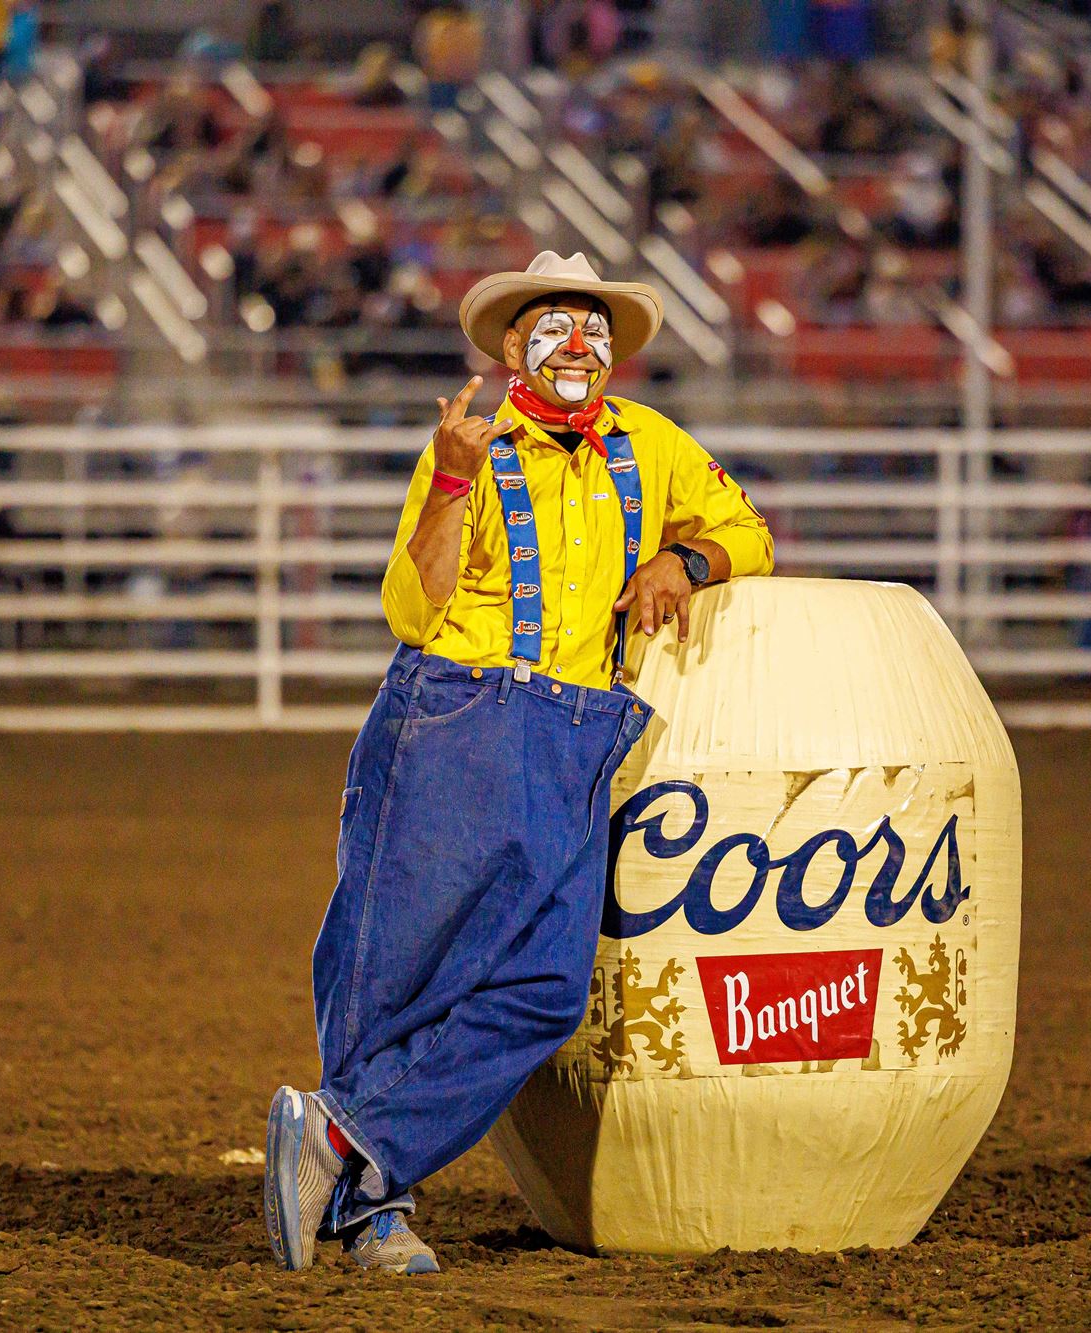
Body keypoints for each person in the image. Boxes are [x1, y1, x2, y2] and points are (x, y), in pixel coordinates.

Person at [263, 252, 774, 1275]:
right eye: (556, 326)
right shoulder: (470, 445)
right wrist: (452, 480)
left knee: (543, 987)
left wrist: (684, 559)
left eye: (593, 326)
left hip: (578, 728)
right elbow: (415, 609)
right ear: (512, 348)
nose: (577, 344)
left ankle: (343, 1141)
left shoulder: (654, 442)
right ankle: (370, 1207)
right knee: (396, 966)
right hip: (460, 708)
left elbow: (746, 531)